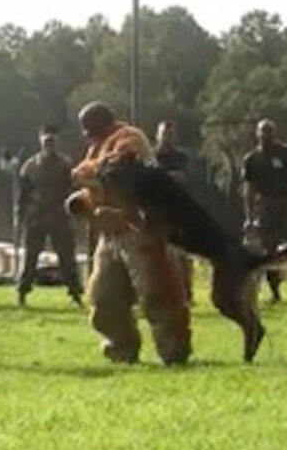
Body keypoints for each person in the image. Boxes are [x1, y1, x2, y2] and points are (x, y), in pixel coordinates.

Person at [68, 101, 191, 365]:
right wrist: (83, 201)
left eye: (88, 128)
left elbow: (114, 173)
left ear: (102, 123)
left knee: (158, 293)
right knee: (104, 298)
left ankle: (174, 351)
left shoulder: (129, 139)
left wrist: (84, 174)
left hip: (140, 228)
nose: (86, 134)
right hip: (111, 233)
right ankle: (121, 349)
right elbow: (94, 181)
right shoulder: (99, 144)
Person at [241, 118, 287, 304]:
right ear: (257, 134)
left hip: (286, 202)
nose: (265, 135)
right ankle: (275, 292)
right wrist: (249, 216)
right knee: (269, 251)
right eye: (262, 131)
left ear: (275, 134)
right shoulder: (252, 159)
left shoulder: (285, 153)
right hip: (265, 205)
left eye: (269, 131)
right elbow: (249, 190)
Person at [15, 125, 82, 306]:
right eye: (46, 140)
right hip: (36, 216)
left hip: (59, 215)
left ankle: (75, 293)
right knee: (30, 258)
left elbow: (74, 189)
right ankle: (22, 292)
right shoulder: (29, 166)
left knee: (67, 258)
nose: (49, 144)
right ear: (40, 141)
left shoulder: (66, 165)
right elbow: (22, 194)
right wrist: (19, 216)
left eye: (52, 141)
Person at [154, 119, 194, 303]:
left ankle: (187, 292)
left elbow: (181, 178)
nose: (167, 138)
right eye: (164, 134)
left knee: (182, 252)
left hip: (177, 208)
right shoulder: (150, 156)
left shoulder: (182, 157)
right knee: (156, 252)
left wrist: (162, 177)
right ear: (158, 135)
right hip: (155, 209)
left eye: (170, 134)